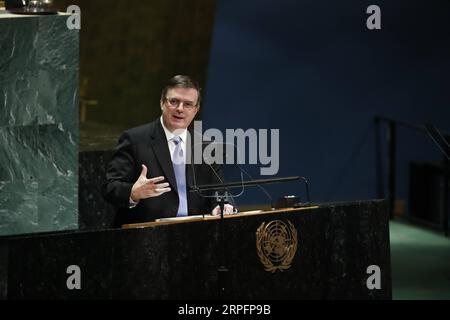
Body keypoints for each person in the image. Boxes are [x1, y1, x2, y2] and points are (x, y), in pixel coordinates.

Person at [102, 75, 234, 226]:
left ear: (196, 110)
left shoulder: (205, 145)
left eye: (188, 104)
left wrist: (222, 205)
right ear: (162, 103)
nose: (180, 109)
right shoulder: (135, 139)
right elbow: (109, 188)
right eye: (174, 101)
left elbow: (219, 190)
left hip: (195, 234)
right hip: (147, 234)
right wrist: (133, 192)